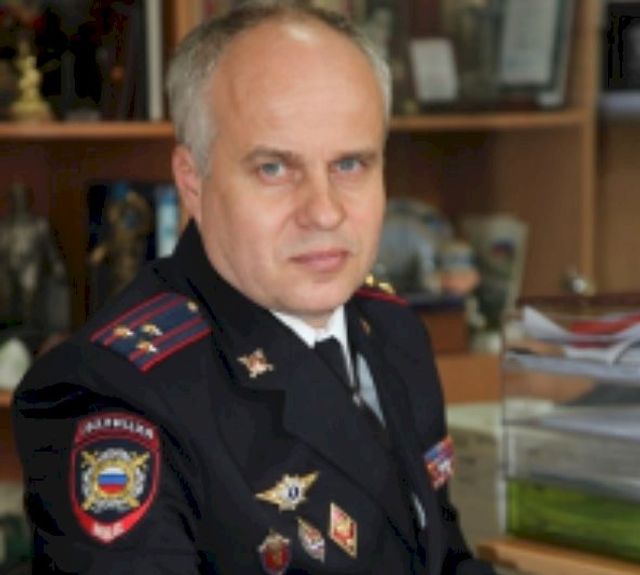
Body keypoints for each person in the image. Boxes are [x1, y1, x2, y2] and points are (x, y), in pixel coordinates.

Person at [12, 3, 496, 574]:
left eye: (350, 164)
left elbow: (443, 558)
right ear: (193, 183)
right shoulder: (114, 392)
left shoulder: (392, 330)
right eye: (274, 169)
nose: (324, 212)